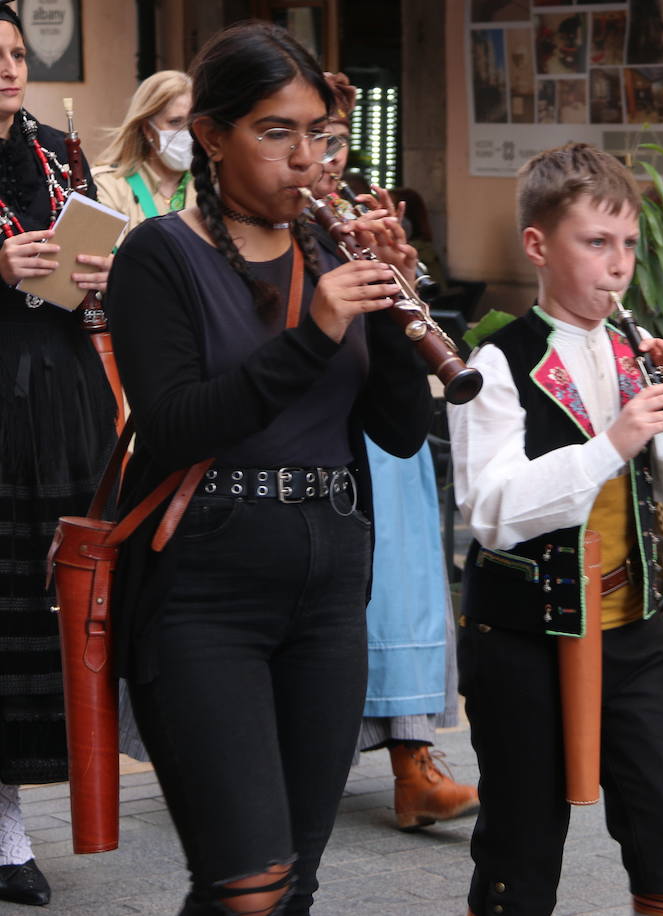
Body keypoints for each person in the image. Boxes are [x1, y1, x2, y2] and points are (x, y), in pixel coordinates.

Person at [103, 21, 430, 914]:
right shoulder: (159, 255)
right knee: (246, 885)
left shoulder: (334, 254)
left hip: (329, 581)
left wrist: (399, 312)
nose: (306, 160)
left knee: (295, 879)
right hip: (205, 587)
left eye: (320, 135)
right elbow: (170, 426)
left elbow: (400, 432)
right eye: (276, 132)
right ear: (211, 136)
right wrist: (314, 332)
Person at [449, 141, 663, 916]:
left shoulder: (635, 352)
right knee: (522, 846)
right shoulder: (494, 362)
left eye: (628, 244)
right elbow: (491, 512)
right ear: (538, 245)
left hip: (629, 625)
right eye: (596, 243)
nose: (619, 265)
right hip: (523, 635)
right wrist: (613, 442)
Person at [311, 67, 478, 831]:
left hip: (391, 429)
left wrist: (407, 278)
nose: (329, 155)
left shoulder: (354, 212)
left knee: (406, 589)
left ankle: (415, 766)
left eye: (338, 139)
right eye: (309, 137)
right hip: (317, 428)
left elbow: (415, 330)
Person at [0, 0, 116, 905]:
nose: (8, 70)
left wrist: (96, 276)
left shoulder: (55, 150)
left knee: (55, 604)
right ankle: (4, 831)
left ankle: (31, 813)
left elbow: (94, 286)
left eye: (14, 54)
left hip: (64, 392)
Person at [92, 69, 197, 245]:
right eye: (175, 122)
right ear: (147, 129)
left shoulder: (213, 185)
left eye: (192, 122)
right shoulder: (107, 186)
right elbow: (97, 260)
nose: (186, 133)